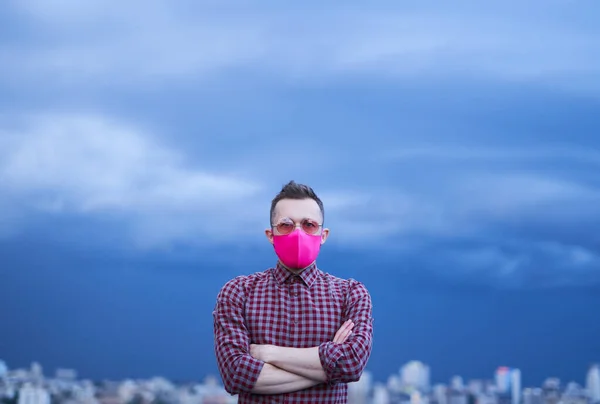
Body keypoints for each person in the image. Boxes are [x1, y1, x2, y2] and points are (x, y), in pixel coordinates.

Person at [213, 180, 374, 403]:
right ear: (271, 235)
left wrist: (268, 353)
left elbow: (351, 364)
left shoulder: (351, 293)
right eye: (286, 225)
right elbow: (235, 375)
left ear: (323, 235)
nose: (298, 233)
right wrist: (329, 367)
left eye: (309, 224)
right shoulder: (238, 292)